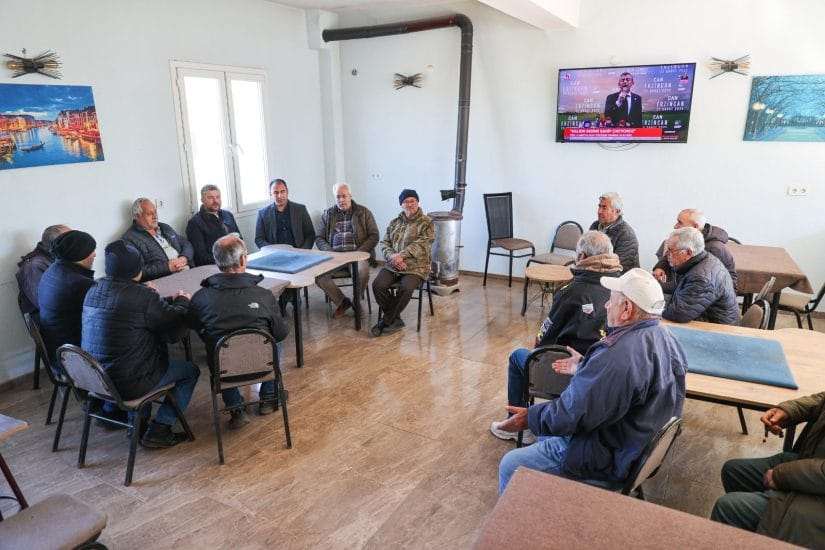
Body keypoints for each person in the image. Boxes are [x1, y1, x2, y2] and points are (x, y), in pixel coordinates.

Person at [496, 268, 686, 495]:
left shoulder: (617, 356)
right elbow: (628, 387)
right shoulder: (668, 339)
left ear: (627, 309)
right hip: (634, 446)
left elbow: (572, 415)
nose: (606, 306)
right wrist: (587, 366)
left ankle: (519, 525)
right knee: (546, 428)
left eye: (611, 301)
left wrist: (529, 417)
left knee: (511, 463)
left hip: (609, 458)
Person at [490, 231, 622, 444]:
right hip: (603, 372)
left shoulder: (571, 291)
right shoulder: (620, 287)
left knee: (519, 356)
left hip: (570, 371)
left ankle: (517, 424)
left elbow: (545, 336)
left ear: (582, 257)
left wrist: (539, 345)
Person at [82, 240, 199, 448]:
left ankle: (137, 424)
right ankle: (160, 428)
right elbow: (173, 329)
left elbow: (128, 308)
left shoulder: (94, 290)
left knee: (132, 356)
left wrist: (148, 295)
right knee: (190, 371)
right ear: (137, 269)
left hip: (97, 379)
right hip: (130, 382)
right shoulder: (141, 297)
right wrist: (182, 301)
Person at [188, 234, 289, 429]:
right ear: (243, 259)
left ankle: (236, 409)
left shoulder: (201, 298)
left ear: (217, 262)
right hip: (262, 367)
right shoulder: (264, 295)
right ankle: (268, 398)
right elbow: (281, 332)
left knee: (215, 344)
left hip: (225, 373)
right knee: (275, 340)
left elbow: (193, 325)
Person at [711, 392, 825, 548]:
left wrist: (781, 475)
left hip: (817, 499)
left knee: (728, 507)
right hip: (811, 464)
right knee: (733, 471)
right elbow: (821, 400)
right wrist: (788, 410)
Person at [371, 189, 435, 336]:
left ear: (418, 202)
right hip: (393, 264)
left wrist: (401, 255)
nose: (410, 204)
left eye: (413, 201)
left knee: (406, 288)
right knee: (377, 285)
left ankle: (385, 321)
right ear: (401, 204)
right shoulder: (394, 222)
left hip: (416, 266)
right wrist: (393, 257)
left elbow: (423, 243)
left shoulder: (427, 222)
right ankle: (395, 319)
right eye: (406, 201)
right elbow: (384, 243)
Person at [315, 183, 379, 318]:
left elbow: (374, 235)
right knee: (319, 276)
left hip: (356, 255)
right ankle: (342, 302)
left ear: (350, 196)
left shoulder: (363, 212)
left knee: (362, 271)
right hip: (334, 257)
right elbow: (319, 238)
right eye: (338, 197)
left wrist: (359, 253)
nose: (341, 200)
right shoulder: (328, 214)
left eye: (344, 196)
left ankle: (356, 301)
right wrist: (330, 252)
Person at [37, 230, 97, 362]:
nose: (95, 254)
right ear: (81, 254)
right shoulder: (79, 283)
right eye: (92, 250)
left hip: (55, 346)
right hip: (72, 357)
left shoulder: (52, 270)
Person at [660, 227, 740, 325]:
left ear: (688, 252)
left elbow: (678, 314)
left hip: (715, 331)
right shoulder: (703, 259)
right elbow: (680, 287)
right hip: (703, 318)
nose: (666, 254)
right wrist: (656, 285)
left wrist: (649, 306)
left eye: (670, 250)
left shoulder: (701, 279)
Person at [652, 209, 737, 292]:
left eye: (680, 222)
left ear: (695, 227)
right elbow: (672, 253)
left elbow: (691, 283)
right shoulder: (688, 239)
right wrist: (661, 267)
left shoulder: (714, 248)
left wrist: (657, 286)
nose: (675, 226)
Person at [122, 197, 194, 281]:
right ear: (137, 216)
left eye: (155, 212)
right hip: (165, 279)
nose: (155, 216)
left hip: (186, 269)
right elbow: (138, 272)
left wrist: (184, 258)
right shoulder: (130, 239)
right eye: (149, 214)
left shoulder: (164, 227)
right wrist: (167, 267)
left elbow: (186, 243)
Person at [15, 224, 70, 316]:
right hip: (45, 321)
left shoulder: (59, 258)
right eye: (71, 240)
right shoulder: (33, 266)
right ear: (57, 244)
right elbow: (45, 304)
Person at [185, 184, 241, 266]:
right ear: (202, 200)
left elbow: (240, 239)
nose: (215, 201)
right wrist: (228, 260)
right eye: (210, 198)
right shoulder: (195, 223)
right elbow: (200, 256)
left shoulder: (228, 215)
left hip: (236, 261)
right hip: (215, 265)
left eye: (218, 197)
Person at [254, 179, 315, 250]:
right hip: (275, 255)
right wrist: (272, 251)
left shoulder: (300, 209)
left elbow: (310, 234)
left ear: (287, 192)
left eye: (282, 191)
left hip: (299, 252)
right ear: (270, 194)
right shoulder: (262, 214)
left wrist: (303, 250)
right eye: (276, 193)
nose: (279, 196)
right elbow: (259, 239)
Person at [588, 192, 639, 272]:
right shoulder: (595, 226)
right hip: (594, 273)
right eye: (599, 206)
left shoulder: (626, 234)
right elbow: (586, 252)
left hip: (619, 278)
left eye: (604, 207)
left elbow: (617, 267)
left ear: (617, 211)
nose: (599, 211)